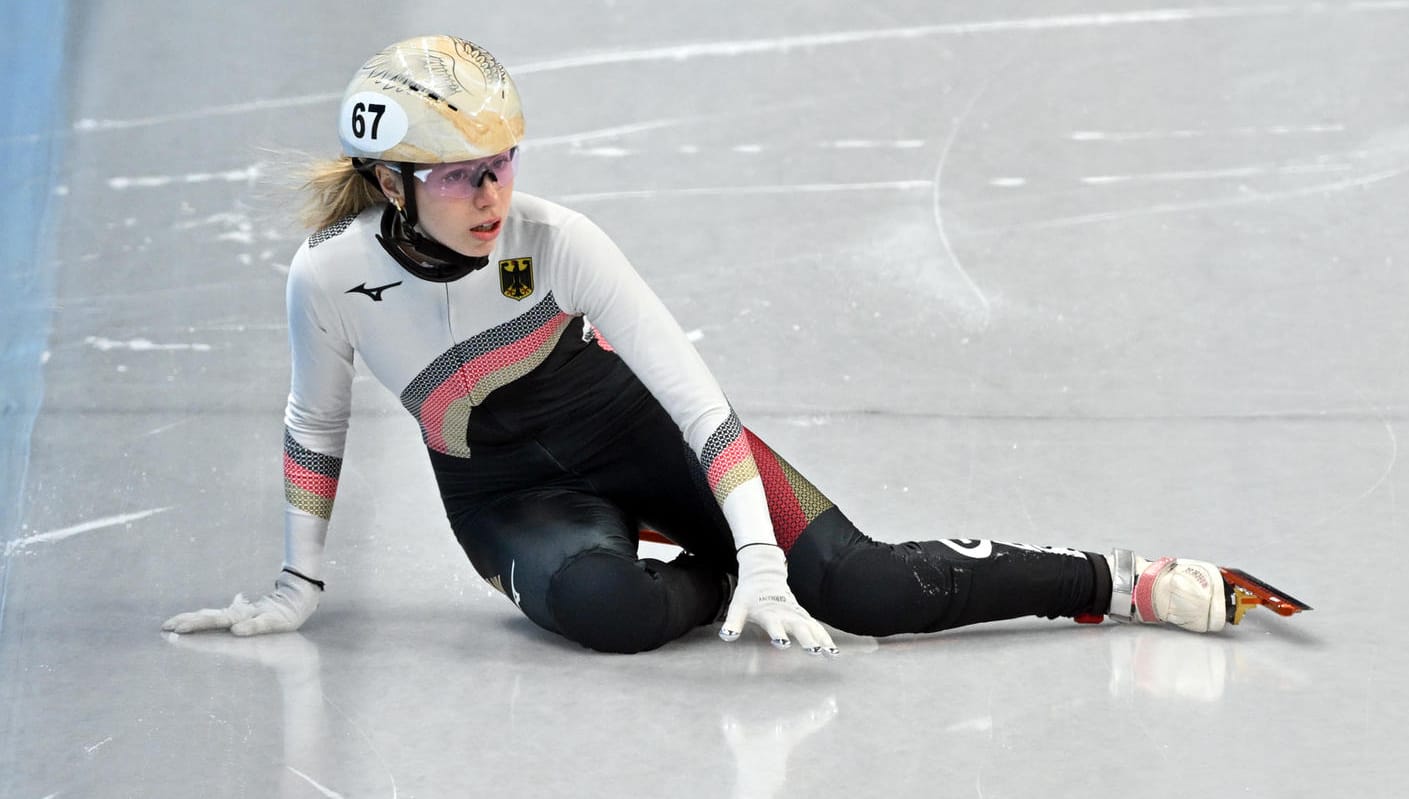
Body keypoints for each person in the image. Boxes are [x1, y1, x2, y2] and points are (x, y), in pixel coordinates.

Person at [162, 35, 1239, 654]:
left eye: (504, 161)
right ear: (392, 182)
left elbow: (695, 399)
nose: (492, 193)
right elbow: (316, 421)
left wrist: (774, 564)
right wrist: (297, 588)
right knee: (611, 612)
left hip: (635, 435)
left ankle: (1118, 576)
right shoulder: (329, 279)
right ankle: (709, 578)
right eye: (459, 174)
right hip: (506, 499)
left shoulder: (558, 242)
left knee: (859, 587)